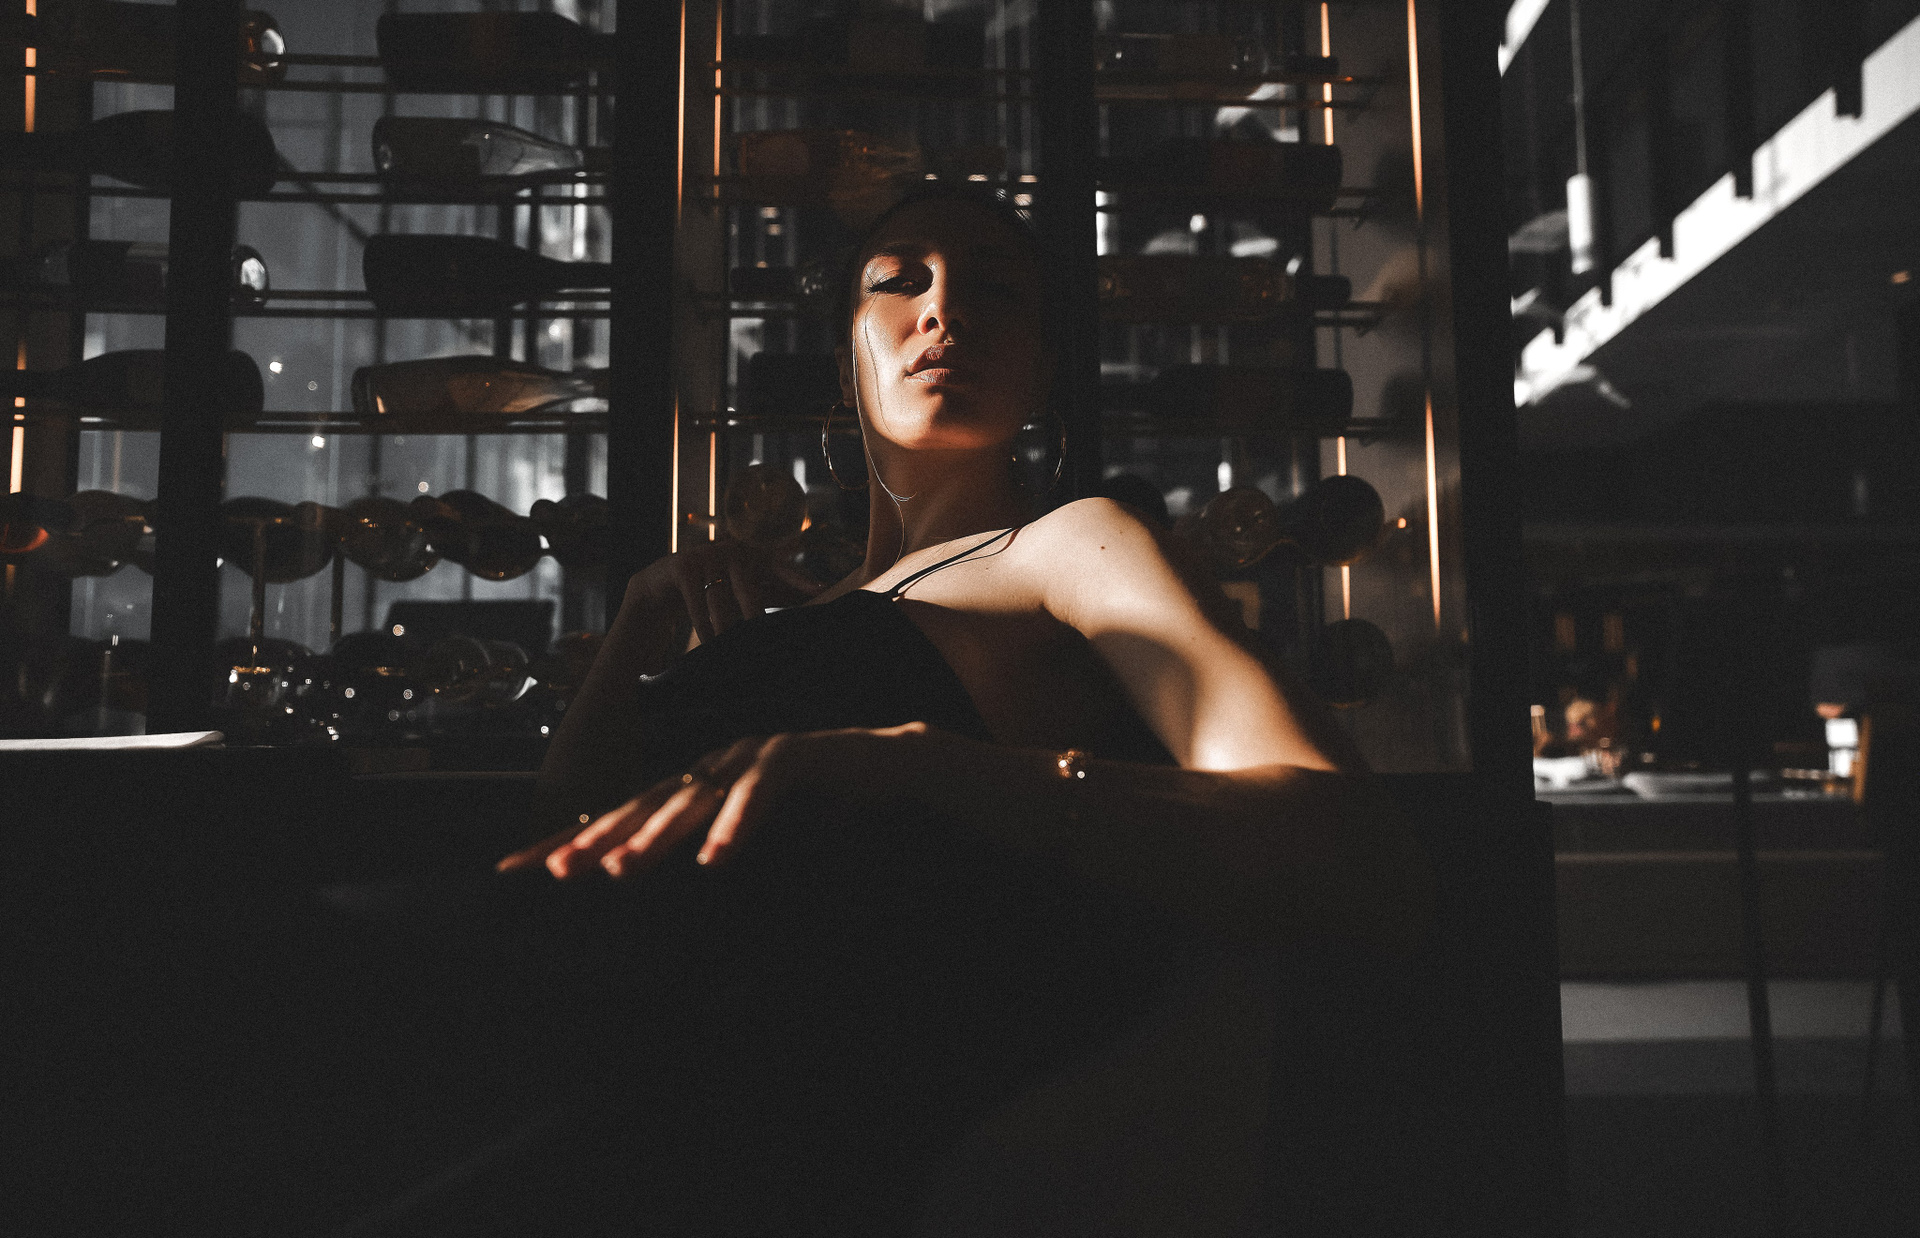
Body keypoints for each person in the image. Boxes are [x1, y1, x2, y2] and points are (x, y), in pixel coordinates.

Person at [493, 185, 1429, 1234]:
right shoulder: (785, 607)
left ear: (1044, 367)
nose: (944, 309)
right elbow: (566, 829)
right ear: (846, 358)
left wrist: (922, 764)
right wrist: (634, 628)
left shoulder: (1071, 545)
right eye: (901, 280)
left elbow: (1349, 847)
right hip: (647, 1113)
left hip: (850, 1147)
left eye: (997, 291)